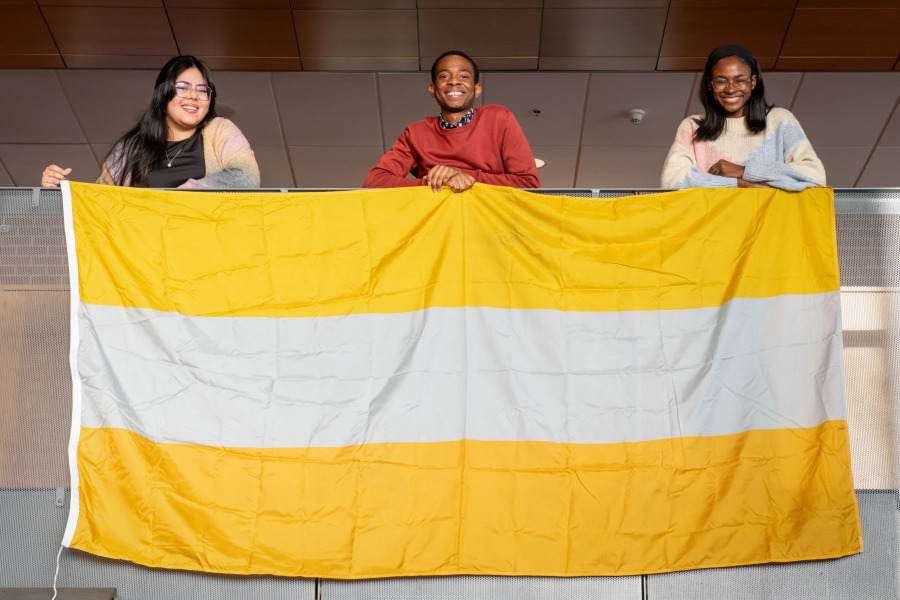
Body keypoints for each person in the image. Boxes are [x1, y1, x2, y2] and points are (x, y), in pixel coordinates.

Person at [41, 55, 259, 189]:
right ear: (163, 94)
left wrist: (181, 196)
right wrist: (60, 191)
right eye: (183, 87)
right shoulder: (131, 148)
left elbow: (246, 178)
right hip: (145, 258)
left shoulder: (219, 130)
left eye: (202, 90)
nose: (193, 95)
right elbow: (102, 202)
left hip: (204, 254)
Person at [364, 50, 539, 192]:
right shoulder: (415, 133)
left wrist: (465, 175)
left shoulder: (499, 119)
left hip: (490, 225)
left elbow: (528, 184)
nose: (454, 81)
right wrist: (438, 183)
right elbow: (374, 183)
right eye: (444, 76)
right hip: (438, 227)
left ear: (477, 89)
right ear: (432, 89)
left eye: (464, 76)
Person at [660, 44, 825, 191]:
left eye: (740, 80)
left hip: (768, 223)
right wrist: (739, 184)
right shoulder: (692, 127)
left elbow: (815, 175)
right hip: (715, 224)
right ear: (710, 84)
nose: (731, 89)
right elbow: (671, 180)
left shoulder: (779, 120)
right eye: (721, 81)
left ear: (753, 82)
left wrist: (744, 171)